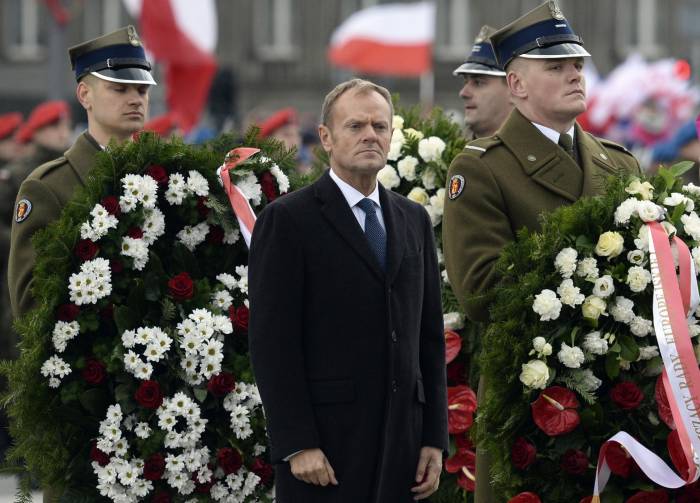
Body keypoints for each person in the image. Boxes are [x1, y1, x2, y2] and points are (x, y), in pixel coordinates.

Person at [442, 2, 640, 502]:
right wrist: (589, 282)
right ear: (516, 86)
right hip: (532, 400)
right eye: (556, 66)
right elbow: (483, 290)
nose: (575, 74)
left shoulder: (618, 164)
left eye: (577, 64)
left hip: (620, 397)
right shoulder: (484, 168)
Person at [248, 78, 448, 502]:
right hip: (325, 453)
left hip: (402, 450)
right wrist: (297, 442)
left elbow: (429, 338)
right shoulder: (288, 220)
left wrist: (434, 437)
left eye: (380, 126)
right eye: (355, 126)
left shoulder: (413, 220)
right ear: (326, 137)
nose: (370, 135)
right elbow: (272, 343)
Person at [8, 24, 156, 321]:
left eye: (142, 90)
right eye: (120, 88)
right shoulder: (48, 187)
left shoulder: (161, 175)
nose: (135, 99)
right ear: (85, 95)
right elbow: (30, 300)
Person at [453, 25, 512, 139]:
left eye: (478, 82)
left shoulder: (540, 152)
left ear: (513, 88)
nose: (463, 93)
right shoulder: (451, 152)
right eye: (465, 82)